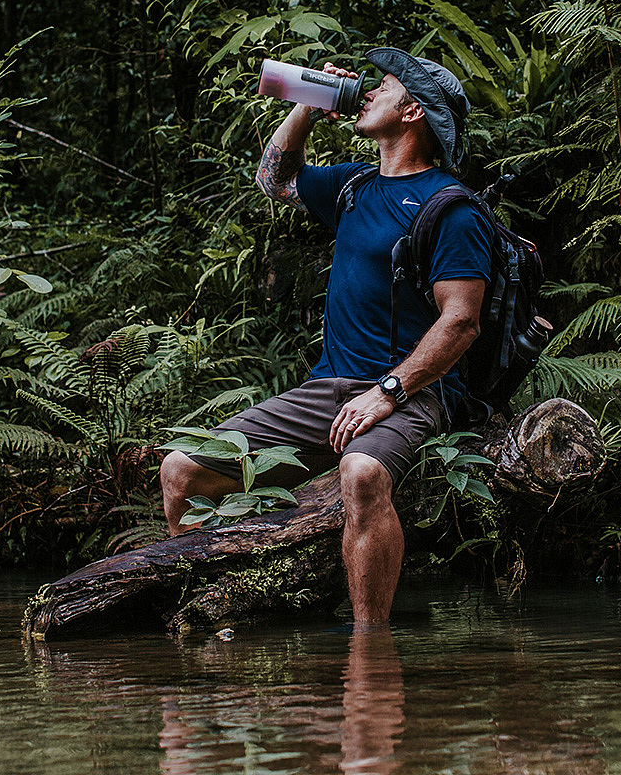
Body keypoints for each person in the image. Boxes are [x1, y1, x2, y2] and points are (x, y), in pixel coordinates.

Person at [160, 47, 494, 624]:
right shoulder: (354, 187)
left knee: (362, 472)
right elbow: (272, 179)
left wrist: (387, 391)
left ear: (412, 111)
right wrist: (307, 107)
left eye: (382, 87)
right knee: (182, 470)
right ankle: (203, 611)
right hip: (329, 390)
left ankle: (370, 655)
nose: (367, 93)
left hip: (411, 393)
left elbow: (461, 321)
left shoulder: (453, 211)